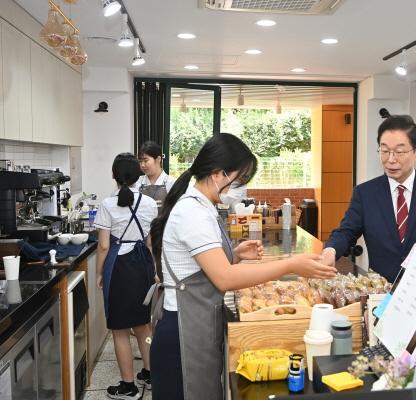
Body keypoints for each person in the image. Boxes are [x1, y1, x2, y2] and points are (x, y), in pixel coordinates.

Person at [149, 133, 337, 400]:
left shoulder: (203, 206)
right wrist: (290, 264)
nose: (241, 188)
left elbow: (201, 264)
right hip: (182, 334)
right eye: (239, 180)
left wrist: (234, 255)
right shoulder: (192, 213)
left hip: (195, 326)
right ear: (218, 174)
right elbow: (224, 278)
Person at [321, 114, 416, 308]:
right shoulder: (365, 193)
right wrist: (330, 250)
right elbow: (347, 231)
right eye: (384, 151)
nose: (391, 160)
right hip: (382, 295)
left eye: (399, 151)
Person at [95, 153, 158, 399]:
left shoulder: (108, 204)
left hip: (119, 265)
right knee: (143, 324)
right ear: (138, 175)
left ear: (114, 175)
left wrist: (100, 273)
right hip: (143, 261)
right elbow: (151, 242)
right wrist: (153, 270)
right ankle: (151, 374)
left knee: (120, 330)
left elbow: (103, 247)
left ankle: (129, 386)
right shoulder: (150, 203)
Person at [136, 141, 176, 210]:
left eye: (145, 161)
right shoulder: (137, 182)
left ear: (158, 159)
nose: (142, 165)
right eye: (140, 161)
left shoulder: (172, 183)